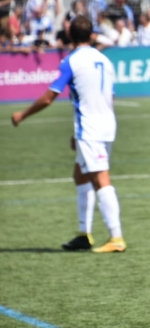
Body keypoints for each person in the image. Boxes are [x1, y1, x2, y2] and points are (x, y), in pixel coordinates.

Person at [11, 16, 127, 254]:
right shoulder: (104, 60)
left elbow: (48, 96)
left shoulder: (71, 61)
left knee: (100, 179)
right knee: (80, 175)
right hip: (106, 124)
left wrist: (22, 115)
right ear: (92, 35)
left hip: (91, 128)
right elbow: (109, 96)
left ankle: (116, 237)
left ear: (70, 36)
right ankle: (84, 234)